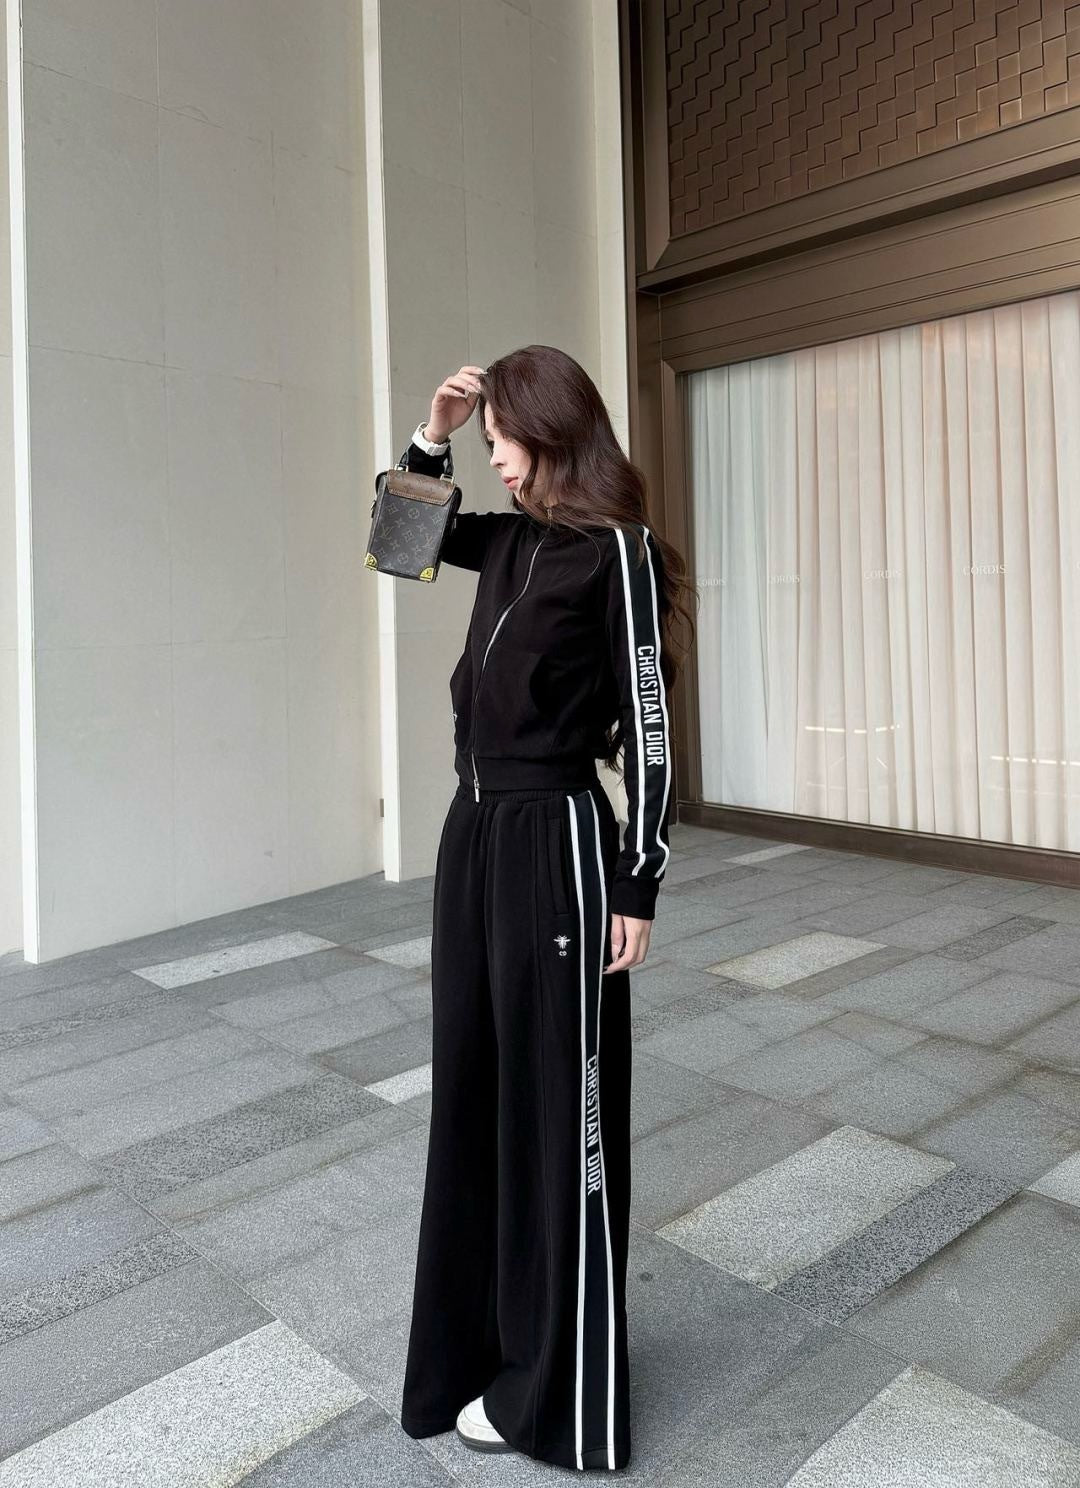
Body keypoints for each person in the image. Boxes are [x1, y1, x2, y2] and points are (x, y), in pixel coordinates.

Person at [396, 345, 693, 1472]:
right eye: (484, 448)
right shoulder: (511, 542)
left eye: (500, 441)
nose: (497, 462)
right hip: (473, 838)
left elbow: (651, 725)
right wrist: (430, 435)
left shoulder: (617, 552)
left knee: (554, 1113)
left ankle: (550, 1389)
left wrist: (639, 877)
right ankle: (476, 1351)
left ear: (551, 426)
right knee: (475, 1096)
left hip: (558, 844)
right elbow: (400, 550)